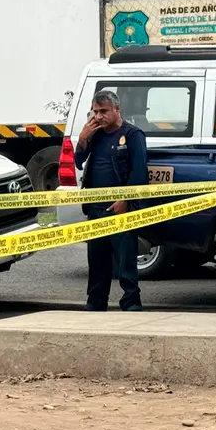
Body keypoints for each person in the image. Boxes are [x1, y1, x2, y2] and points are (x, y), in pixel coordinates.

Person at [75, 89, 147, 312]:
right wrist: (83, 139)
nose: (98, 116)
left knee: (126, 262)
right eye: (95, 112)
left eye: (103, 111)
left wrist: (125, 199)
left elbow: (139, 172)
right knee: (97, 261)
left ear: (117, 110)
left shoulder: (133, 135)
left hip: (120, 209)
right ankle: (95, 303)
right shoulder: (95, 134)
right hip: (95, 209)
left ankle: (131, 303)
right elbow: (78, 161)